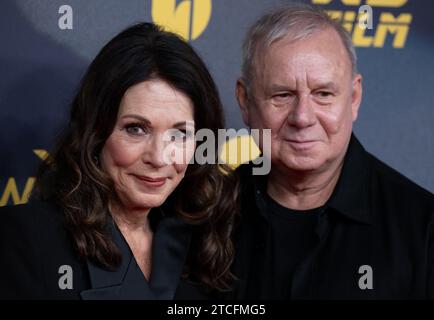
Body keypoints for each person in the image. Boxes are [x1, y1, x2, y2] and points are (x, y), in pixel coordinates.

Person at [0, 22, 238, 299]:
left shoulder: (204, 248)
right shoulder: (27, 238)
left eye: (180, 134)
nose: (159, 157)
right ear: (96, 133)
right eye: (136, 129)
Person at [230, 4, 434, 299]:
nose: (302, 117)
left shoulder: (422, 230)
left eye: (323, 94)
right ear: (245, 101)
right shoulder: (206, 215)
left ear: (353, 98)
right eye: (282, 95)